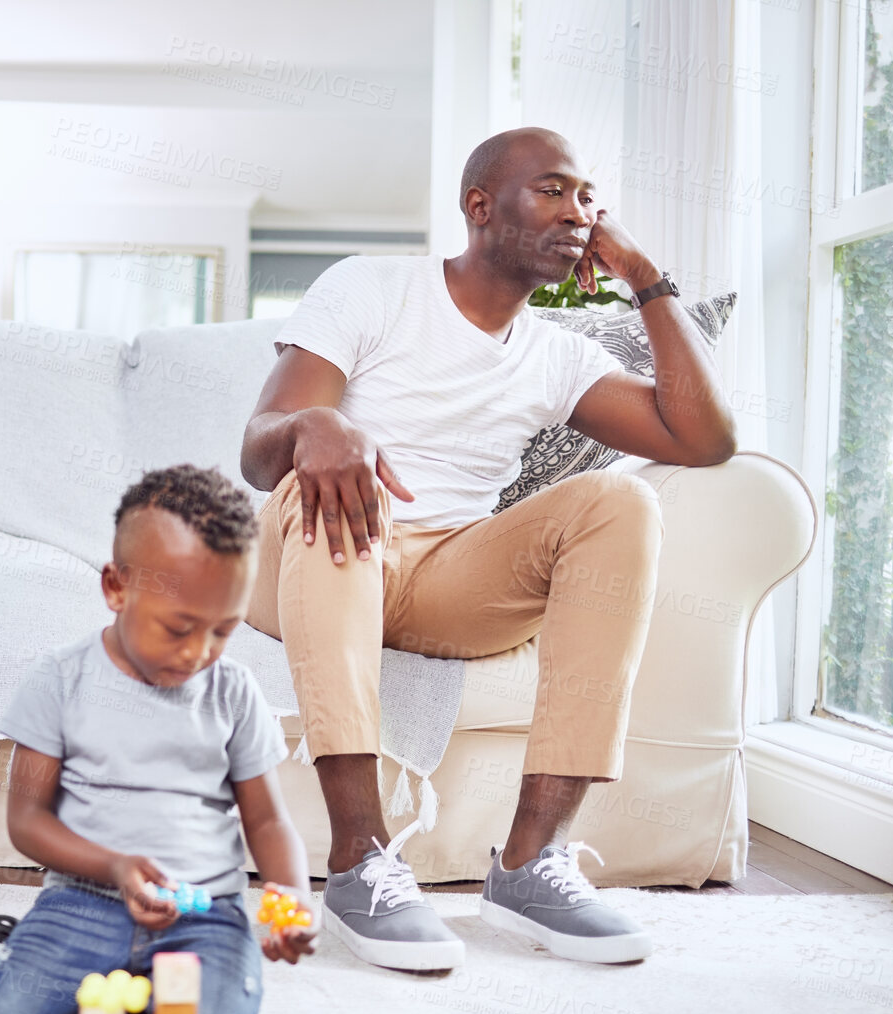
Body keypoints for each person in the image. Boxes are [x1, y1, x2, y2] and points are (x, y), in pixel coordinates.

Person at [240, 127, 737, 969]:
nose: (577, 211)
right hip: (323, 549)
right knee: (320, 484)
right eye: (551, 190)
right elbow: (258, 453)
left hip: (450, 578)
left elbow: (703, 439)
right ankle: (360, 857)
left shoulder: (554, 356)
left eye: (586, 197)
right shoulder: (373, 287)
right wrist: (319, 426)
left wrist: (644, 278)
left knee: (619, 501)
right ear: (479, 207)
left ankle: (531, 861)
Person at [0, 466, 317, 1014]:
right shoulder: (61, 680)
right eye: (177, 627)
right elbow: (27, 823)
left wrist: (291, 896)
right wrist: (114, 866)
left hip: (204, 913)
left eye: (223, 630)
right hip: (86, 902)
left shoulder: (234, 692)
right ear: (116, 588)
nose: (198, 653)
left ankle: (135, 998)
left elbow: (269, 818)